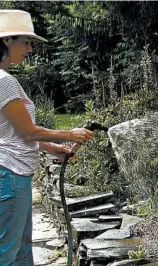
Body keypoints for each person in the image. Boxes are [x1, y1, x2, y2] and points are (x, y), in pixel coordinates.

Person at [0, 9, 93, 265]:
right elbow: (26, 131)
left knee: (19, 248)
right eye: (26, 42)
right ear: (7, 40)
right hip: (9, 174)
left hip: (10, 174)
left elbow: (8, 131)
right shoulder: (3, 81)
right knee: (8, 253)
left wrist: (49, 146)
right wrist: (68, 133)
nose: (30, 49)